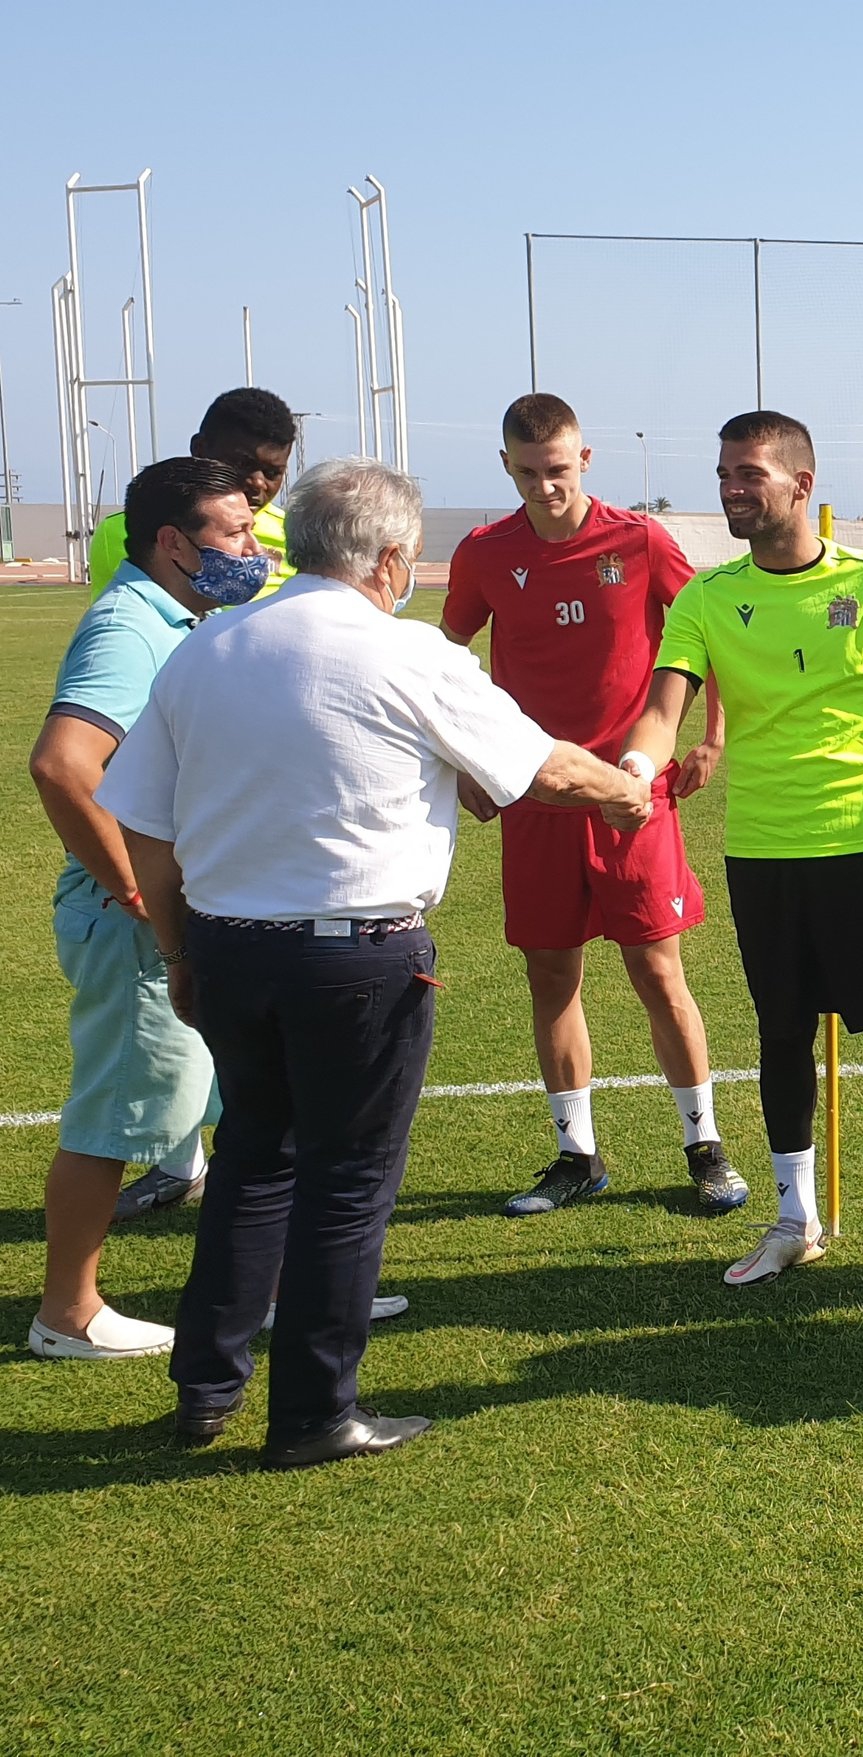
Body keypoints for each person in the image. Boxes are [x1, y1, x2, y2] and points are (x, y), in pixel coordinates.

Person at [96, 456, 650, 1468]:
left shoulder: (207, 648)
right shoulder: (407, 654)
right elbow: (541, 768)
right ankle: (313, 1411)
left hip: (227, 946)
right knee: (346, 1183)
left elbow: (140, 822)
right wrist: (626, 793)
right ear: (392, 558)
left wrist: (179, 947)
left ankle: (205, 1390)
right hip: (353, 956)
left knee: (254, 1163)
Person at [614, 410, 863, 1293]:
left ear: (801, 485)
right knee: (780, 1034)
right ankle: (796, 1219)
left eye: (749, 474)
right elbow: (665, 710)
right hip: (764, 857)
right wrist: (636, 769)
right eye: (724, 475)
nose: (732, 489)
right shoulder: (708, 596)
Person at [442, 394, 745, 1219]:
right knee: (551, 975)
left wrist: (711, 735)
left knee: (658, 970)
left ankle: (704, 1143)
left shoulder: (639, 540)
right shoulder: (484, 553)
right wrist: (464, 757)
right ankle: (577, 1154)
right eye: (531, 472)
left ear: (587, 459)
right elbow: (443, 661)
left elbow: (710, 633)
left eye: (560, 470)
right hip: (534, 797)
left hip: (631, 798)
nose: (547, 488)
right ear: (507, 466)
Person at [24, 460, 254, 1359]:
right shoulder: (128, 628)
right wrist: (139, 895)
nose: (248, 548)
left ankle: (254, 1286)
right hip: (135, 922)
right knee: (119, 1114)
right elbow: (62, 765)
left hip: (188, 906)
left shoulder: (186, 616)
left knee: (238, 1100)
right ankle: (66, 1312)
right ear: (171, 542)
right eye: (232, 532)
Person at [89, 388, 298, 599]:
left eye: (273, 472)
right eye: (242, 464)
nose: (258, 482)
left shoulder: (296, 534)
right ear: (200, 449)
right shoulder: (126, 530)